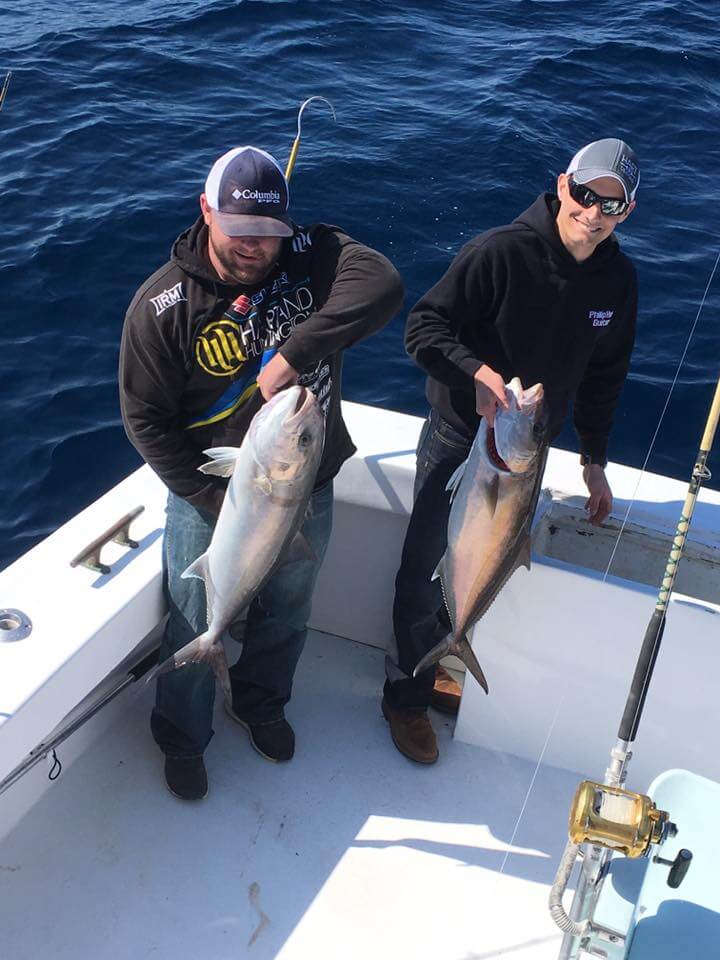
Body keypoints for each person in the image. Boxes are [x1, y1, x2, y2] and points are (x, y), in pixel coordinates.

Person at [120, 145, 403, 799]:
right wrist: (212, 500)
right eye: (238, 230)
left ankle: (261, 702)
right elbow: (144, 422)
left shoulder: (312, 254)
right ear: (205, 211)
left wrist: (295, 352)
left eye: (268, 233)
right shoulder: (163, 307)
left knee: (290, 605)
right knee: (196, 615)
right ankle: (182, 736)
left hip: (306, 478)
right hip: (214, 491)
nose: (254, 247)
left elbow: (384, 284)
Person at [383, 138, 639, 764]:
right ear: (562, 187)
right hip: (460, 440)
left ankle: (446, 652)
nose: (594, 212)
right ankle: (405, 697)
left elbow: (606, 376)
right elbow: (423, 328)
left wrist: (594, 460)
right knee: (426, 570)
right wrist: (475, 372)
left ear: (626, 211)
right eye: (585, 194)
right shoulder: (499, 252)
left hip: (526, 451)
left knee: (485, 564)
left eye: (612, 202)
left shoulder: (619, 281)